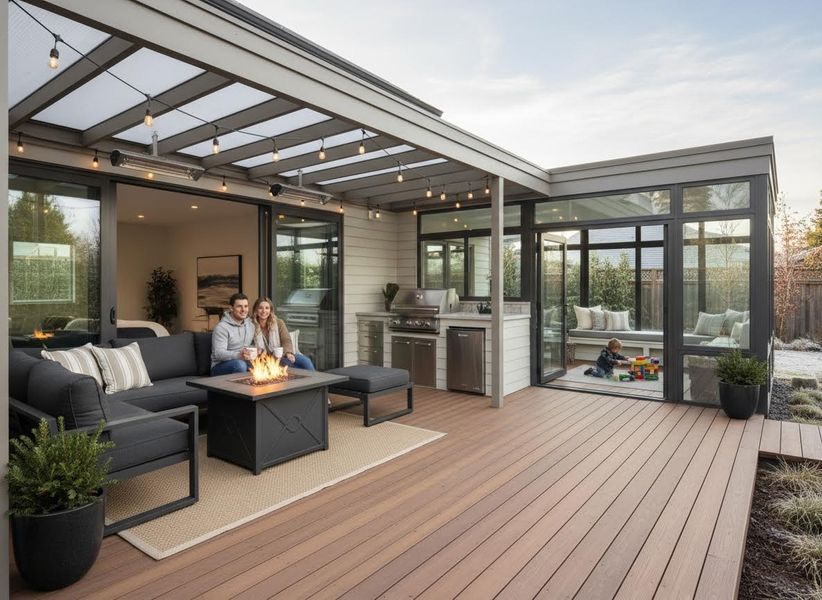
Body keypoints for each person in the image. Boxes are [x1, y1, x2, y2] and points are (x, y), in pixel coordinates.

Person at [252, 296, 316, 371]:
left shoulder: (279, 323)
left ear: (271, 310)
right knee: (292, 367)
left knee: (306, 362)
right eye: (260, 308)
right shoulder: (251, 325)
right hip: (264, 358)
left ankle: (317, 381)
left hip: (282, 354)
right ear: (256, 310)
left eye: (267, 308)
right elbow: (249, 344)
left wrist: (288, 353)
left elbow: (286, 340)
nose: (264, 311)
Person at [210, 293, 257, 375]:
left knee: (264, 364)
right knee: (240, 365)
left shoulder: (251, 326)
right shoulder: (222, 328)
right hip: (220, 366)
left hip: (243, 361)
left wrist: (257, 350)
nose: (243, 310)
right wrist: (239, 355)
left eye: (246, 306)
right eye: (239, 306)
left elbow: (250, 345)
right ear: (231, 308)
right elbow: (218, 354)